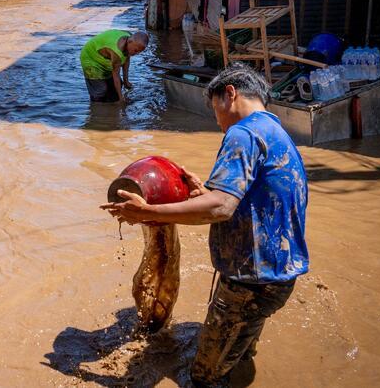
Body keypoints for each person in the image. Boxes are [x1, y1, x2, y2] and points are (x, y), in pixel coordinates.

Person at [101, 64, 309, 387]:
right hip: (278, 276)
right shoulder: (276, 133)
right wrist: (206, 193)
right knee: (239, 352)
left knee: (204, 376)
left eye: (215, 110)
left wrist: (146, 212)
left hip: (250, 283)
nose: (217, 120)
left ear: (230, 94)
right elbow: (247, 200)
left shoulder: (242, 133)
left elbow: (221, 207)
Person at [80, 30, 149, 103]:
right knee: (100, 90)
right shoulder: (116, 52)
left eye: (139, 52)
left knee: (116, 86)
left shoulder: (129, 37)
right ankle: (96, 108)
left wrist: (126, 81)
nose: (137, 53)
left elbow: (126, 58)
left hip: (103, 58)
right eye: (136, 50)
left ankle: (110, 105)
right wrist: (121, 99)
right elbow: (116, 74)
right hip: (90, 58)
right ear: (130, 41)